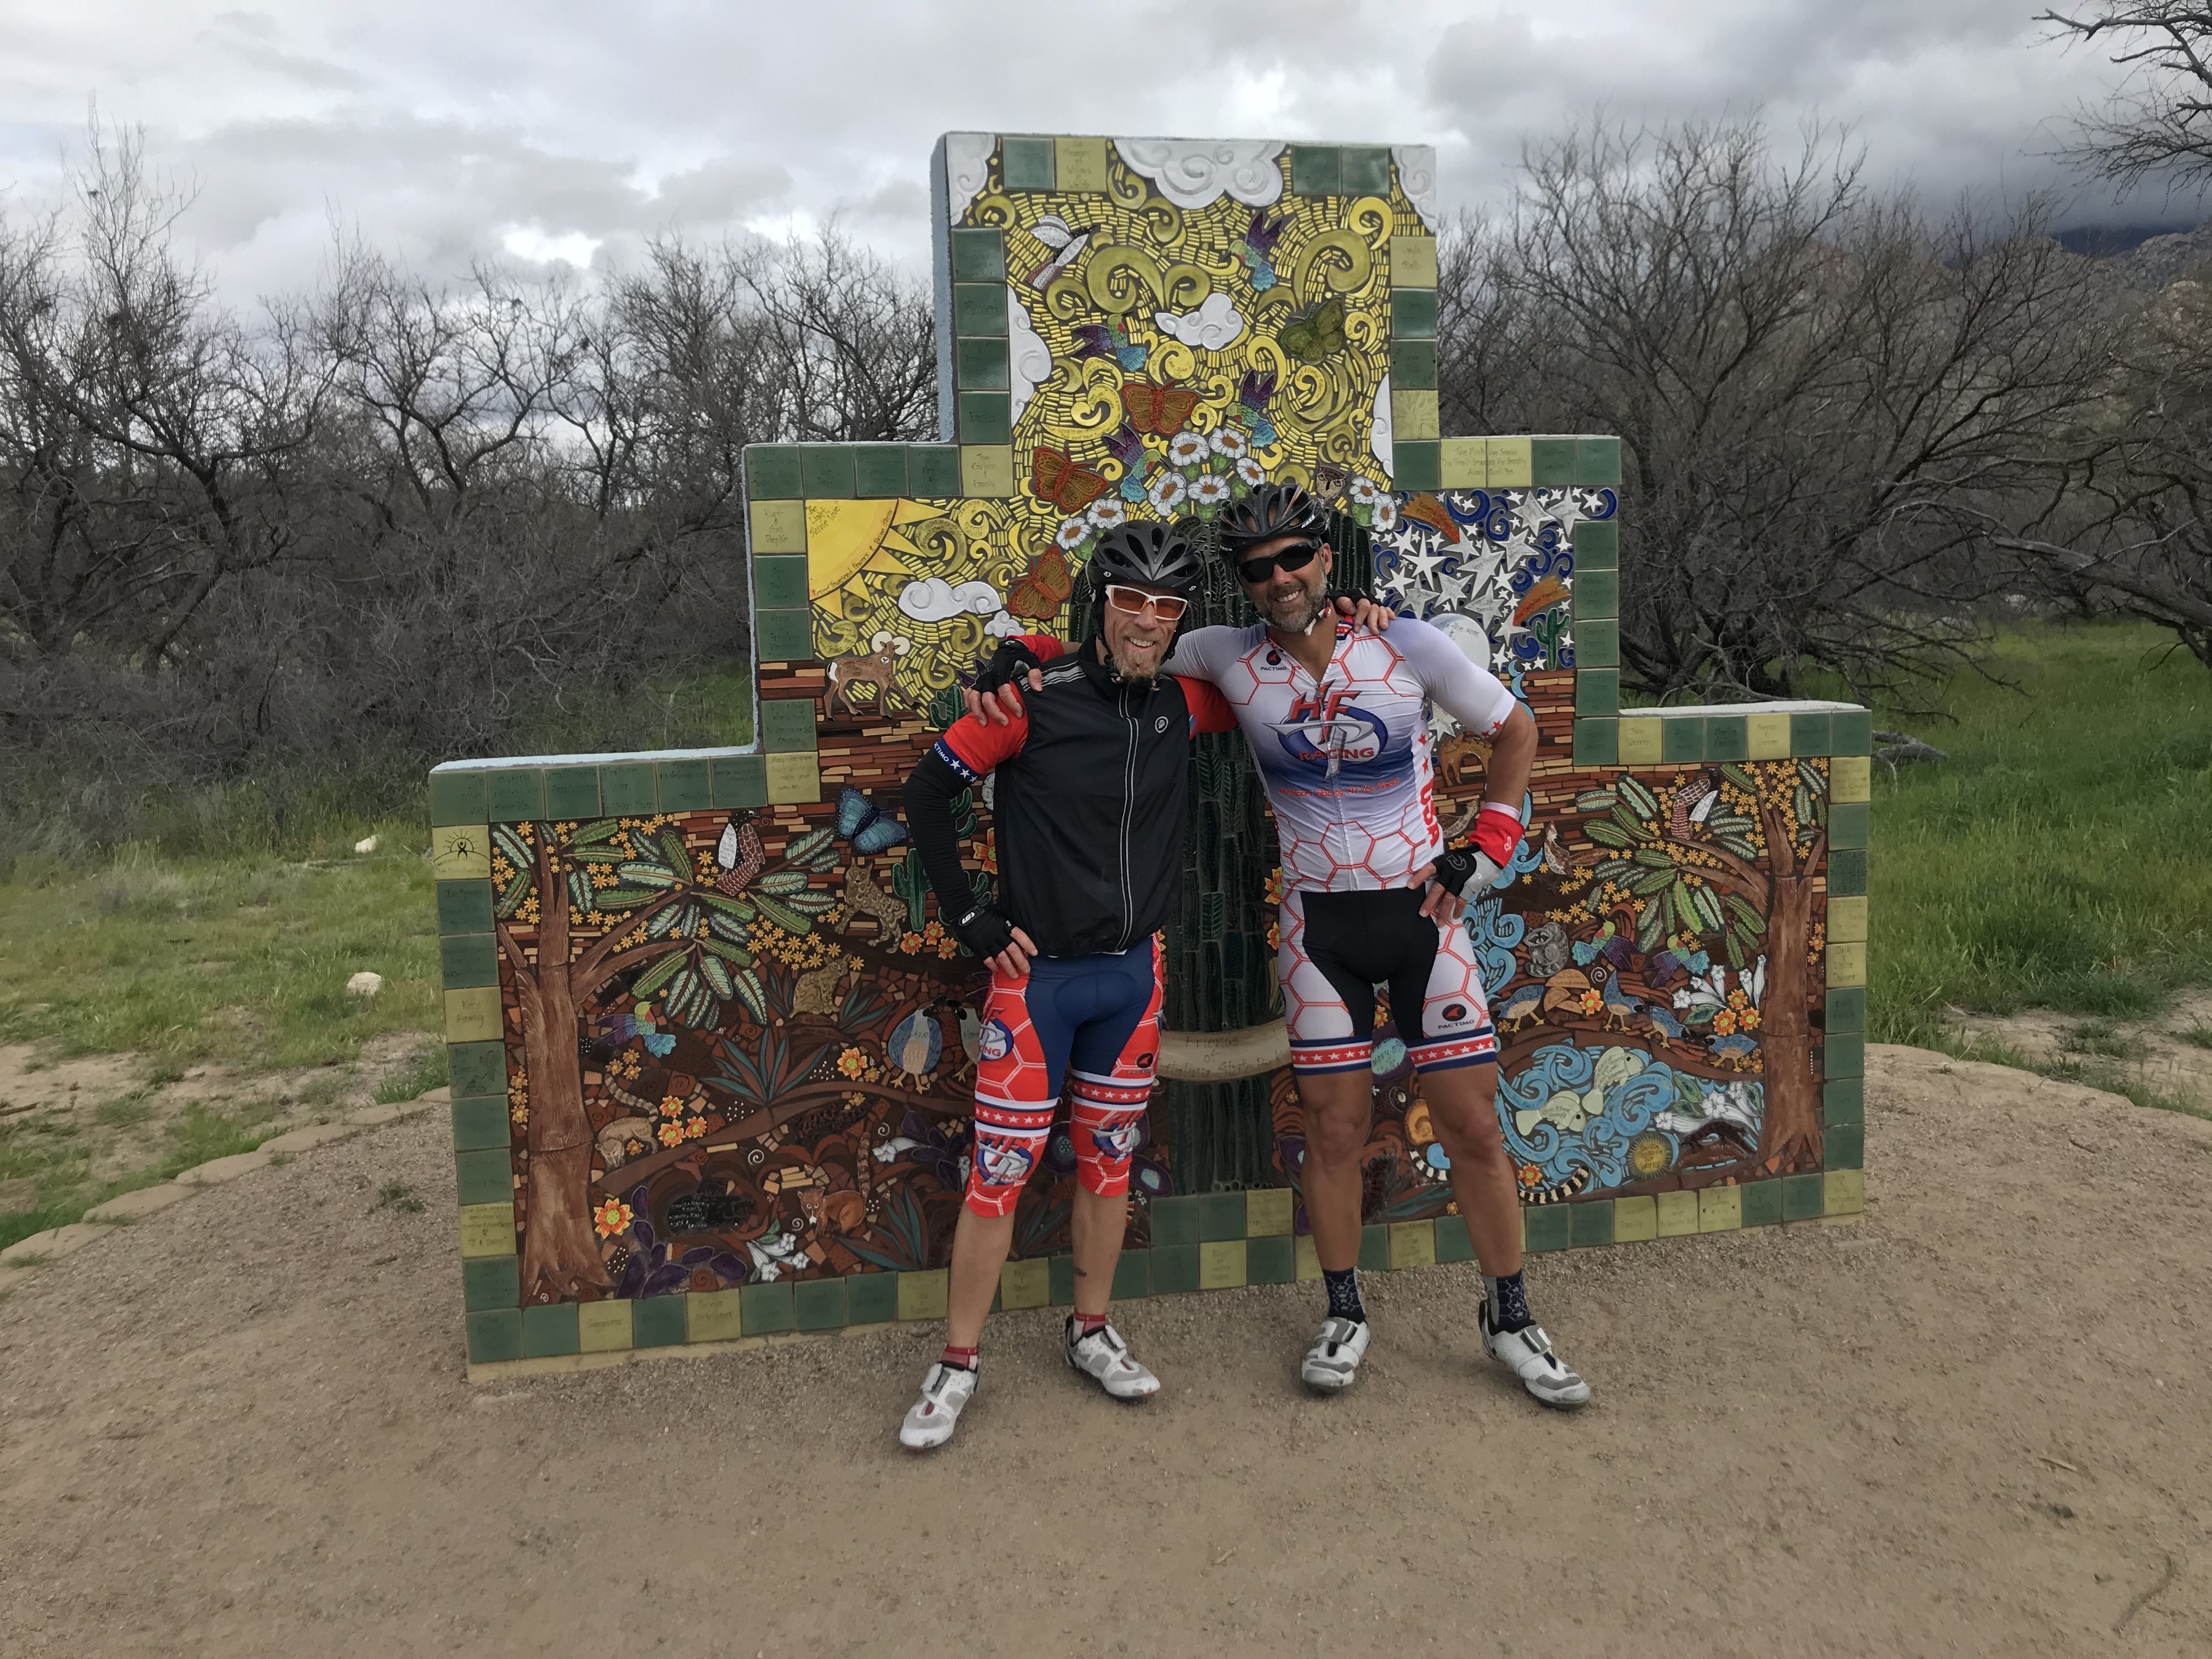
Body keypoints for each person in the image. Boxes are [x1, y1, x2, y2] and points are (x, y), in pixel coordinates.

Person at [969, 484, 1590, 1409]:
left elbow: (1516, 728)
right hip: (1317, 928)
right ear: (1244, 584)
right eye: (1258, 569)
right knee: (1333, 1134)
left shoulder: (1406, 642)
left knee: (1472, 1126)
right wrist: (1022, 654)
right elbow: (1126, 650)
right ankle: (1343, 1313)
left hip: (1424, 920)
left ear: (1325, 560)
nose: (1280, 579)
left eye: (1295, 558)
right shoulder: (1226, 655)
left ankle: (1511, 1318)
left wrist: (1488, 848)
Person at [893, 522, 1235, 1451]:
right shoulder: (1031, 702)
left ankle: (1091, 1331)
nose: (1148, 621)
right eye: (1131, 600)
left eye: (1166, 607)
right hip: (1034, 980)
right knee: (998, 1175)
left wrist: (1362, 622)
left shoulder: (1185, 705)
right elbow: (925, 794)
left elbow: (1277, 669)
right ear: (1101, 603)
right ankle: (957, 1362)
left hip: (1132, 977)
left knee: (1108, 1166)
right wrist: (969, 917)